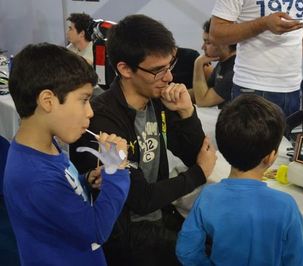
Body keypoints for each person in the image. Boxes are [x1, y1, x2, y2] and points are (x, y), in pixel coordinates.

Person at [69, 14, 217, 266]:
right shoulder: (101, 120)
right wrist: (198, 174)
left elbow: (197, 154)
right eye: (158, 70)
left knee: (221, 240)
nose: (169, 77)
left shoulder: (156, 99)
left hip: (159, 213)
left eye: (170, 65)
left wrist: (186, 113)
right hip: (127, 233)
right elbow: (140, 198)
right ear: (125, 69)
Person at [3, 43, 130, 265]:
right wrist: (117, 170)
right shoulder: (35, 178)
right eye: (84, 99)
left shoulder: (43, 146)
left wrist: (85, 182)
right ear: (48, 101)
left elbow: (60, 189)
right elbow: (96, 230)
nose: (90, 112)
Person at [176, 94, 303, 265]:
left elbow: (186, 250)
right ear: (271, 156)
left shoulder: (208, 196)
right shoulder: (286, 206)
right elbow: (295, 260)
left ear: (222, 147)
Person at [210, 0, 303, 117]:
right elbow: (216, 34)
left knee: (287, 135)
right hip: (252, 87)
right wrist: (263, 24)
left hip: (292, 89)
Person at [192, 18, 236, 109]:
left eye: (207, 42)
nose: (202, 47)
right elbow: (201, 92)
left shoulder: (235, 70)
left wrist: (198, 64)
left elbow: (202, 101)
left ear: (224, 43)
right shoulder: (223, 63)